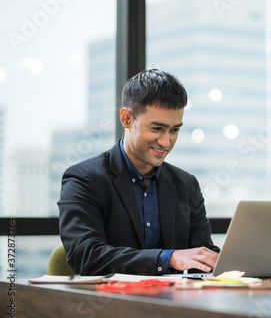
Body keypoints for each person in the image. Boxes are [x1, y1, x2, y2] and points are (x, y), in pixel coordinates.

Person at [58, 69, 219, 276]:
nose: (166, 141)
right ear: (126, 118)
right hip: (112, 304)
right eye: (156, 128)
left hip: (174, 303)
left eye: (174, 130)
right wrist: (168, 258)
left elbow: (202, 256)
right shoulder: (84, 180)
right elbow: (86, 256)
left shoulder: (186, 185)